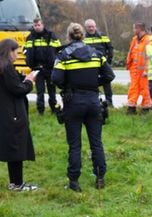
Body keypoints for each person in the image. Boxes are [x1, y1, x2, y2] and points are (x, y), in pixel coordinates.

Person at [52, 22, 115, 192]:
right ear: (83, 35)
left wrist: (69, 86)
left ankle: (74, 182)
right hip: (94, 101)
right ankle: (100, 177)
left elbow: (56, 79)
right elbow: (110, 75)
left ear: (69, 36)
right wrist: (94, 83)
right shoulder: (96, 54)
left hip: (73, 102)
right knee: (96, 142)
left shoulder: (63, 55)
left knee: (75, 145)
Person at [0, 38, 38, 191]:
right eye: (16, 52)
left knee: (12, 148)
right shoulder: (6, 67)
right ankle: (18, 184)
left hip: (5, 114)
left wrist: (21, 78)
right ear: (8, 51)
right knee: (16, 148)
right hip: (12, 114)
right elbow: (18, 90)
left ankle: (14, 182)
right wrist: (29, 81)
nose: (17, 55)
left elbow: (10, 85)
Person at [24, 17, 61, 115]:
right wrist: (28, 61)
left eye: (38, 25)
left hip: (50, 67)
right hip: (37, 68)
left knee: (51, 90)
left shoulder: (51, 35)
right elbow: (26, 50)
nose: (37, 27)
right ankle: (40, 111)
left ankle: (54, 109)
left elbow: (58, 49)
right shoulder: (30, 37)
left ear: (42, 25)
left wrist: (55, 62)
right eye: (35, 25)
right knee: (40, 91)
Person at [83, 18, 114, 106]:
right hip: (90, 65)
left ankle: (109, 102)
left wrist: (108, 62)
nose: (91, 28)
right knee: (92, 84)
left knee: (107, 83)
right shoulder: (83, 37)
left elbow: (110, 48)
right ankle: (95, 102)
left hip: (102, 64)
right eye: (89, 27)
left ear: (95, 26)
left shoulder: (103, 36)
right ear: (86, 27)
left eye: (93, 26)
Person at [125, 22, 151, 114]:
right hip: (134, 70)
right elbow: (131, 52)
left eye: (134, 29)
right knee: (133, 88)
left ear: (139, 29)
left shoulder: (148, 40)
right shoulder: (134, 39)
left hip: (144, 71)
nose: (133, 30)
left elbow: (150, 57)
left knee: (145, 89)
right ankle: (131, 108)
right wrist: (128, 64)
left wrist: (147, 70)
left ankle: (145, 109)